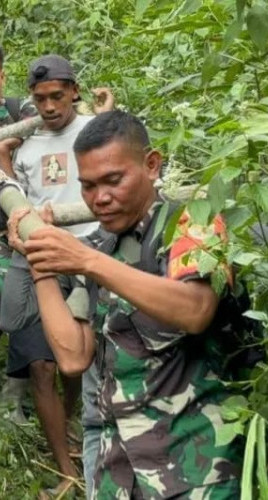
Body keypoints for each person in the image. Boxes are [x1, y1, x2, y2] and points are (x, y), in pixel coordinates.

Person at [13, 109, 242, 497]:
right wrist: (42, 264)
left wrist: (86, 260)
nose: (99, 198)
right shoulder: (103, 246)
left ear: (151, 165)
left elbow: (196, 309)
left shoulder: (191, 222)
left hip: (196, 467)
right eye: (87, 186)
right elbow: (72, 356)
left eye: (113, 180)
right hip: (118, 472)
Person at [0, 54, 113, 496]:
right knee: (40, 363)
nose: (48, 106)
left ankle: (73, 431)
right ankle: (65, 467)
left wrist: (109, 116)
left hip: (87, 252)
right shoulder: (25, 143)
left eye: (57, 97)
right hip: (38, 254)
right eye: (40, 98)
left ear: (74, 91)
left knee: (75, 363)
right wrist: (3, 160)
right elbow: (16, 201)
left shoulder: (92, 131)